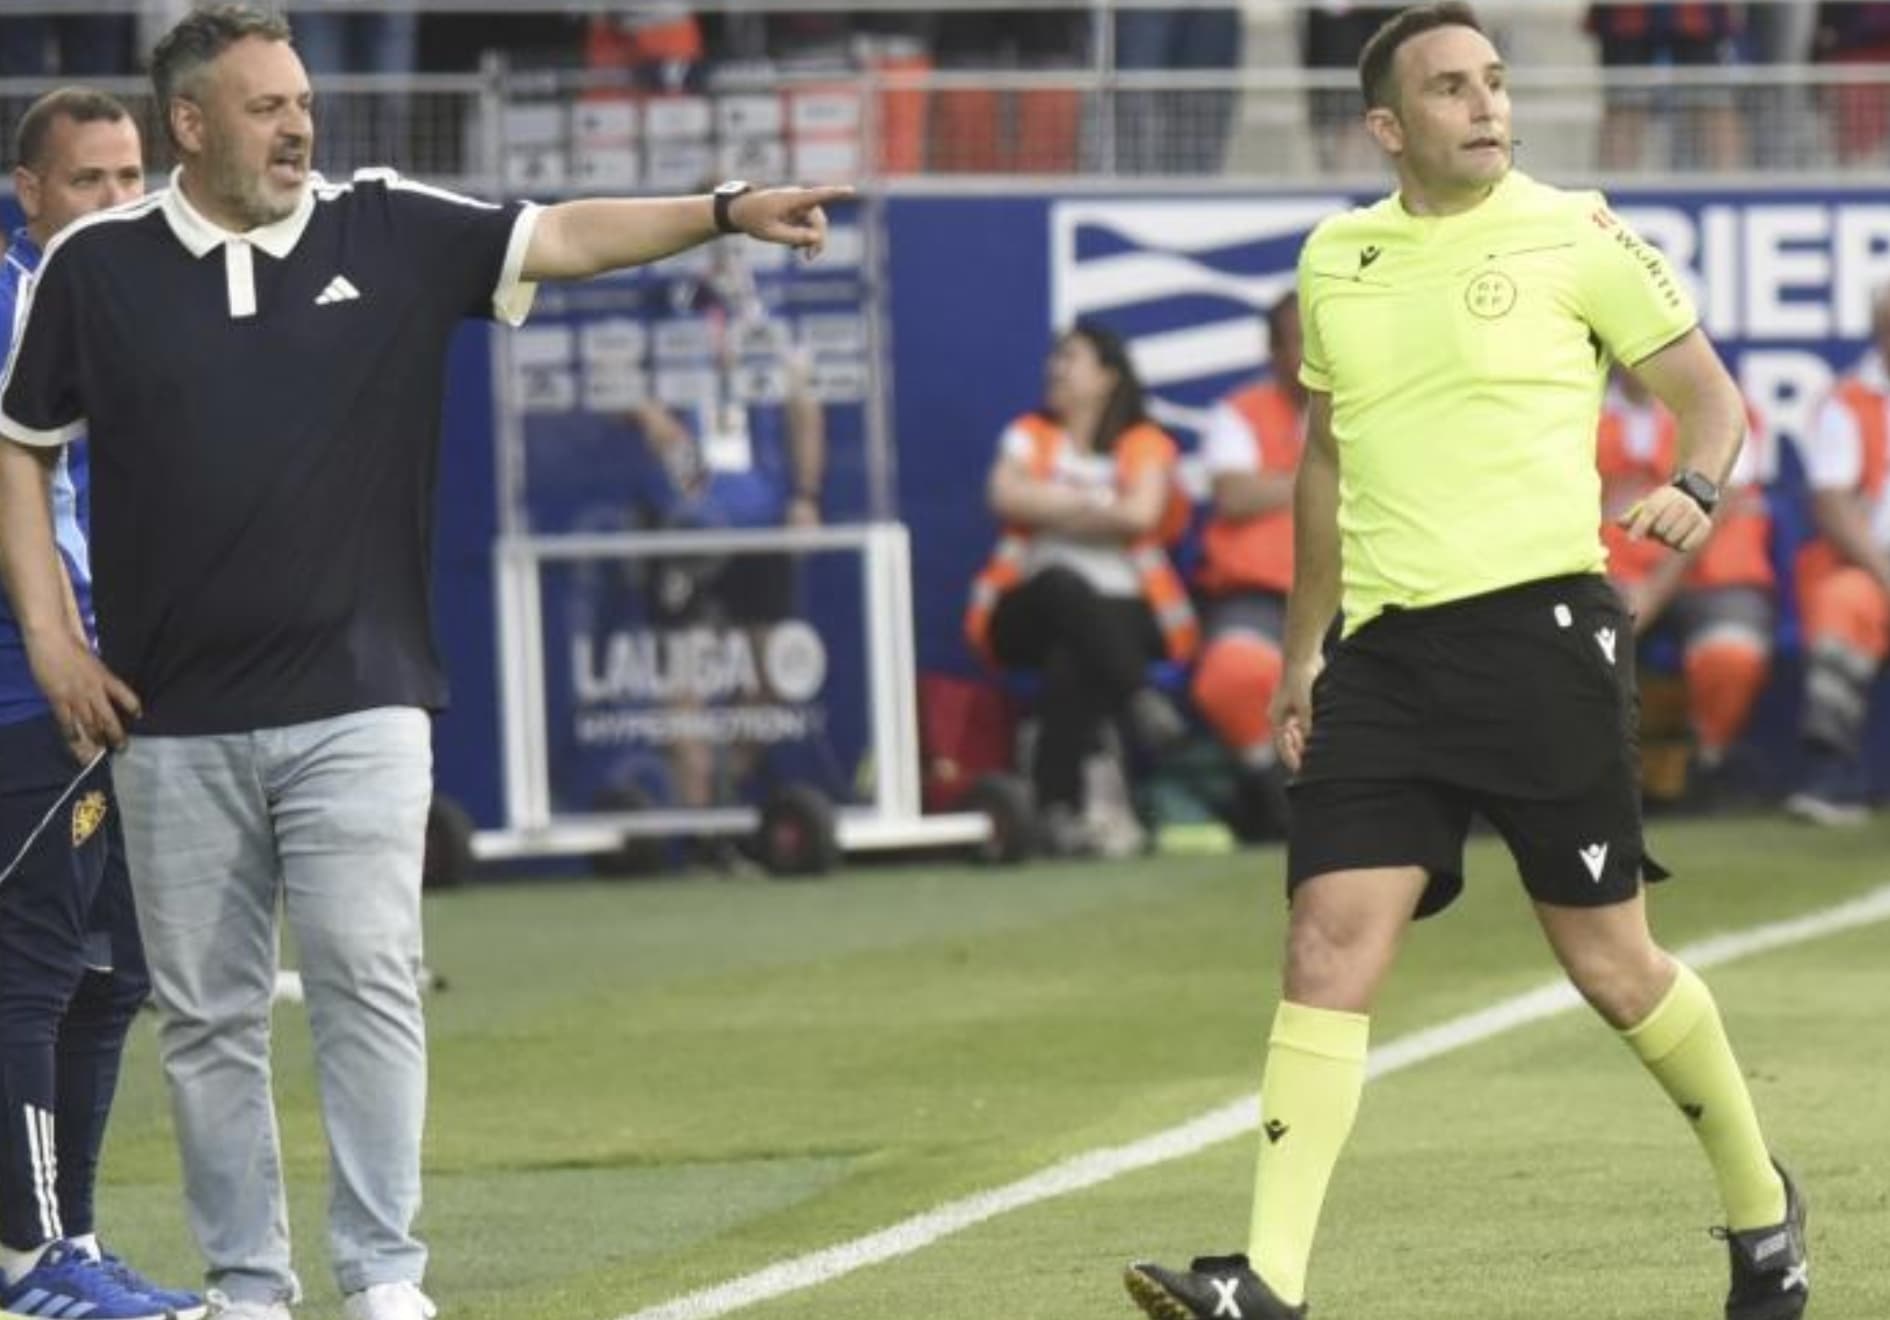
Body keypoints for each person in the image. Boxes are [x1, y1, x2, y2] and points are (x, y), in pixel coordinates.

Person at [0, 7, 849, 1320]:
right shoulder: (94, 266)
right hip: (167, 717)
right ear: (190, 124)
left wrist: (726, 208)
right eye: (267, 104)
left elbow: (558, 235)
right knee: (212, 1021)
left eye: (301, 98)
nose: (299, 123)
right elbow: (21, 442)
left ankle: (386, 1277)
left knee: (367, 975)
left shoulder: (385, 224)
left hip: (363, 696)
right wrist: (55, 636)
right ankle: (248, 1289)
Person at [1124, 8, 1806, 1320]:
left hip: (1541, 636)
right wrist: (1302, 645)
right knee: (1324, 945)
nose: (1484, 105)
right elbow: (1325, 456)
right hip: (1382, 659)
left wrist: (1695, 484)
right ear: (1388, 126)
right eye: (1449, 88)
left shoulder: (1577, 232)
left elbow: (1710, 397)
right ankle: (1264, 1282)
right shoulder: (1338, 258)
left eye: (1492, 81)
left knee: (1612, 970)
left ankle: (1761, 1212)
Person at [0, 87, 206, 1320]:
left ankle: (69, 1238)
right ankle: (30, 1261)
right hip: (35, 691)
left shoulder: (136, 309)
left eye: (133, 179)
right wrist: (56, 644)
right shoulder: (20, 301)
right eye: (89, 182)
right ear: (30, 192)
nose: (118, 204)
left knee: (115, 970)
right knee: (32, 968)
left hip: (122, 685)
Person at [964, 324, 1194, 857]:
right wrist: (1098, 506)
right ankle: (1140, 698)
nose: (1055, 368)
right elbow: (1004, 495)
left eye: (1070, 358)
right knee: (1061, 586)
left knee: (1072, 656)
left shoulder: (1144, 442)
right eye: (1053, 358)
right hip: (1027, 608)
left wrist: (1051, 505)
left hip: (1129, 610)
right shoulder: (1029, 433)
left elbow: (1142, 514)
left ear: (1107, 377)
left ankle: (1057, 811)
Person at [1596, 366, 1774, 806]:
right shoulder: (1576, 409)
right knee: (1575, 641)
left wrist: (1653, 592)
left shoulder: (1723, 408)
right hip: (1609, 571)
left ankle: (1706, 765)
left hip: (1707, 572)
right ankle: (1599, 776)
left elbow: (1718, 505)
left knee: (1731, 651)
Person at [1189, 293, 1304, 842]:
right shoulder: (1241, 413)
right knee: (1231, 676)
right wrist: (1322, 478)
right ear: (1274, 350)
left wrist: (1279, 483)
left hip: (1360, 593)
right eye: (1300, 339)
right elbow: (1233, 494)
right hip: (1258, 596)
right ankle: (1272, 785)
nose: (1315, 352)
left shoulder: (1372, 409)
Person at [1784, 284, 1890, 827]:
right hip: (1872, 564)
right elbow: (1832, 502)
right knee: (1844, 603)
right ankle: (1833, 778)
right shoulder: (1849, 401)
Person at [1584, 2, 1745, 171]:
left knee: (1712, 103)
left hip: (1697, 16)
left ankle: (1731, 189)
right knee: (1624, 106)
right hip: (1627, 16)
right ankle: (1614, 192)